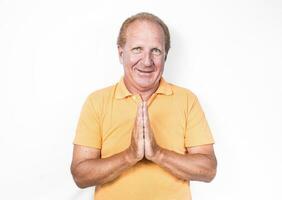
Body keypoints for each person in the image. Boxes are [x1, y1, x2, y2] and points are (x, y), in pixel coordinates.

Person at [71, 12, 217, 200]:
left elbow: (208, 169)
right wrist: (130, 155)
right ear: (120, 52)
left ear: (165, 55)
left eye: (155, 50)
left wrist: (158, 154)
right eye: (137, 49)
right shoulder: (96, 102)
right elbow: (80, 175)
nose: (147, 61)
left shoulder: (187, 100)